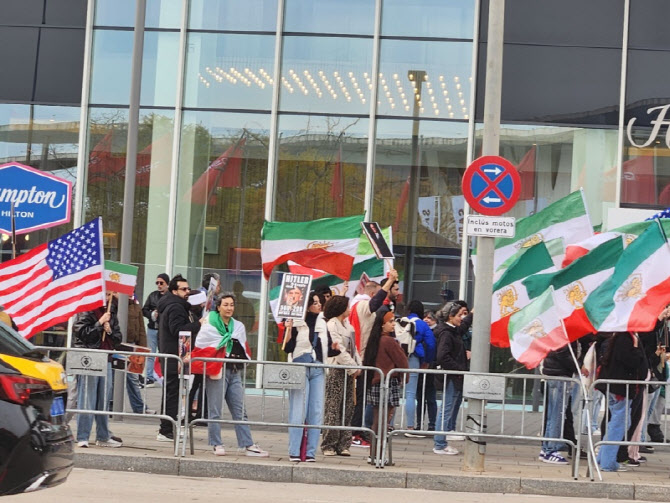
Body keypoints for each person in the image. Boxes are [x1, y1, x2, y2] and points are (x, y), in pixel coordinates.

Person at [196, 293, 268, 457]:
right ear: (218, 307)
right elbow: (202, 344)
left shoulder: (238, 326)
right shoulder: (209, 323)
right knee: (215, 409)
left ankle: (247, 444)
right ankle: (216, 443)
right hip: (217, 370)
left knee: (239, 409)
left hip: (234, 371)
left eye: (232, 305)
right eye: (226, 305)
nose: (229, 308)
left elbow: (243, 347)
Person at [283, 292, 329, 462]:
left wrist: (336, 348)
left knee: (316, 410)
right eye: (315, 302)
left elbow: (328, 348)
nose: (319, 305)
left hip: (318, 367)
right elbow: (287, 347)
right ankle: (294, 451)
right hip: (300, 366)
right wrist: (288, 329)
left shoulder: (323, 322)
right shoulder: (295, 321)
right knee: (298, 409)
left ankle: (310, 452)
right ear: (307, 305)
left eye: (319, 302)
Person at [73, 294, 123, 448]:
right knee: (87, 398)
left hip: (105, 357)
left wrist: (109, 331)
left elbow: (118, 338)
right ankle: (83, 436)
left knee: (103, 399)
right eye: (105, 294)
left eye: (109, 294)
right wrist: (99, 323)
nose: (107, 297)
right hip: (90, 357)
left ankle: (103, 435)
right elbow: (82, 333)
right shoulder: (87, 308)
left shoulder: (111, 310)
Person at [156, 274, 201, 442]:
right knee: (172, 394)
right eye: (184, 289)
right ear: (174, 291)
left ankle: (168, 428)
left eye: (188, 288)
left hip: (174, 356)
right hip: (174, 356)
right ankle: (166, 430)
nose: (187, 291)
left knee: (172, 393)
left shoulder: (177, 305)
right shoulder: (175, 307)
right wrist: (198, 324)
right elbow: (178, 330)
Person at [362, 310, 409, 463]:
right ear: (382, 324)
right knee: (384, 421)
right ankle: (380, 455)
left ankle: (373, 454)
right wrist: (405, 377)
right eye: (390, 321)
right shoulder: (388, 341)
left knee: (377, 420)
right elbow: (402, 360)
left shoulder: (374, 340)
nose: (393, 324)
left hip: (376, 381)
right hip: (388, 382)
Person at [595, 331, 646, 472]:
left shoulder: (620, 336)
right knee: (618, 424)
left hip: (618, 388)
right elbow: (631, 361)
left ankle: (603, 458)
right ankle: (608, 462)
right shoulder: (625, 338)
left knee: (617, 423)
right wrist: (636, 349)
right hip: (620, 389)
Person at [321, 295, 361, 456]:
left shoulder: (348, 325)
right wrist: (353, 367)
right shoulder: (332, 325)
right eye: (347, 306)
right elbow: (339, 351)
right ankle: (329, 444)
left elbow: (354, 348)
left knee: (348, 407)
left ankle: (344, 444)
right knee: (333, 407)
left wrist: (358, 365)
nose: (349, 308)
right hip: (336, 369)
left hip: (349, 371)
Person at [433, 301, 470, 455]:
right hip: (451, 376)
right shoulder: (447, 333)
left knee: (446, 409)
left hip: (453, 375)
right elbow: (443, 356)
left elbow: (462, 327)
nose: (462, 318)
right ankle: (440, 444)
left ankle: (440, 442)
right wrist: (459, 369)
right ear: (450, 316)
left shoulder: (450, 330)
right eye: (459, 315)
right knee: (446, 409)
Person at [404, 300, 436, 437]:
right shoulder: (422, 325)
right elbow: (431, 344)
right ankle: (410, 427)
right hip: (414, 358)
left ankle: (389, 425)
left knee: (394, 392)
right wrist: (427, 360)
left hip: (398, 358)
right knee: (410, 393)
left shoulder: (401, 321)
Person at [142, 273, 169, 386]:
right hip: (152, 328)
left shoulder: (170, 296)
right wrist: (151, 315)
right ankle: (149, 377)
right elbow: (144, 310)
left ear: (167, 284)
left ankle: (164, 376)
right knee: (150, 354)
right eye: (157, 283)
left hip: (164, 330)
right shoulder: (153, 295)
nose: (159, 285)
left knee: (164, 354)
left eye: (161, 283)